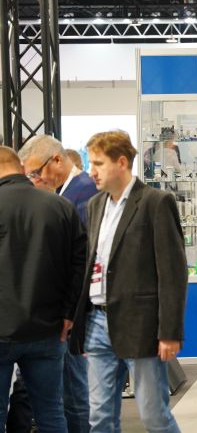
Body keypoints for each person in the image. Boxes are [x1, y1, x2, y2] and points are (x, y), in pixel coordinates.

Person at [69, 130, 185, 432]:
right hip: (96, 324)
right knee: (100, 418)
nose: (91, 171)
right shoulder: (95, 205)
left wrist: (169, 331)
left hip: (141, 326)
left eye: (98, 163)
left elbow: (172, 273)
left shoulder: (155, 203)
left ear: (121, 162)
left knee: (154, 416)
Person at [0, 146, 87, 432]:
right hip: (50, 329)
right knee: (51, 412)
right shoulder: (60, 206)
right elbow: (79, 265)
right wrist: (70, 314)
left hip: (3, 331)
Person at [18, 135, 98, 433]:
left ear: (57, 160)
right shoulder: (63, 194)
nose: (34, 180)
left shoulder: (84, 193)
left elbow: (82, 261)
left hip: (75, 313)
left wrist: (73, 313)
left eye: (36, 172)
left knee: (75, 392)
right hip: (60, 314)